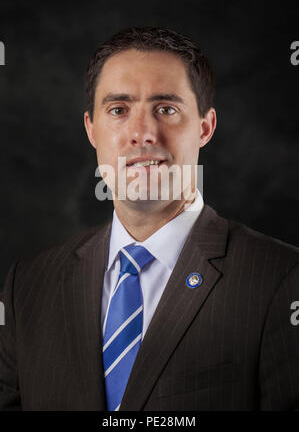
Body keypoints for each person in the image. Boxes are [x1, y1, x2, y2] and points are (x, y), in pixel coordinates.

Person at [0, 26, 298, 411]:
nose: (142, 133)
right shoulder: (28, 286)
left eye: (166, 109)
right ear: (92, 129)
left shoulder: (281, 280)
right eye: (119, 110)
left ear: (205, 128)